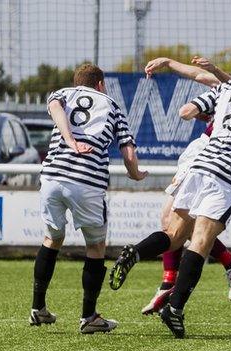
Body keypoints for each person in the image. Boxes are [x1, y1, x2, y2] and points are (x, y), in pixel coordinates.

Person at [110, 52, 231, 339]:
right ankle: (175, 309)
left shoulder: (227, 87)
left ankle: (136, 251)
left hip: (198, 166)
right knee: (200, 240)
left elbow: (187, 111)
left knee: (174, 234)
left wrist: (215, 116)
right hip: (227, 175)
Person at [29, 63, 147, 333]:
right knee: (95, 247)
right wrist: (137, 174)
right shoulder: (113, 106)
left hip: (52, 178)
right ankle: (89, 317)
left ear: (76, 82)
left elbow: (56, 109)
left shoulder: (63, 94)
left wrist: (68, 139)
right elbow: (128, 152)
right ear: (101, 85)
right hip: (87, 182)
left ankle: (38, 309)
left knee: (52, 239)